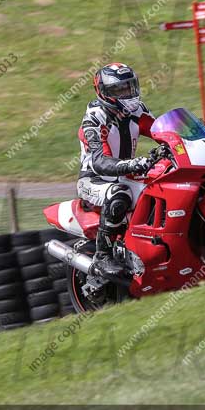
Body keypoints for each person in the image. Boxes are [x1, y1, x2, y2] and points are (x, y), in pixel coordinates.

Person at [77, 63, 155, 277]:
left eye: (129, 87)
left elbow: (161, 130)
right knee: (119, 194)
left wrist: (188, 136)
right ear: (105, 93)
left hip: (125, 175)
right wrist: (132, 164)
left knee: (159, 185)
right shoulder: (94, 118)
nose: (127, 94)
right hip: (94, 179)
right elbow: (100, 161)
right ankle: (102, 256)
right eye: (120, 90)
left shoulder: (136, 110)